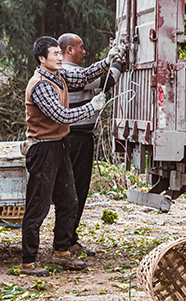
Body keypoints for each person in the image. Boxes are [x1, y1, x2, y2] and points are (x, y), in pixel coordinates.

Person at [19, 36, 123, 277]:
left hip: (59, 145)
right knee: (38, 206)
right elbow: (61, 116)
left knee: (69, 201)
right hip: (42, 148)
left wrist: (107, 61)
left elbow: (85, 76)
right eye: (54, 54)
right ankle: (28, 261)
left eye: (59, 52)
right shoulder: (41, 85)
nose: (59, 57)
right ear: (42, 59)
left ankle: (62, 251)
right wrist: (91, 107)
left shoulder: (60, 75)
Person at [58, 33, 124, 257]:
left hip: (78, 137)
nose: (84, 51)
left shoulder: (73, 72)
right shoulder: (69, 72)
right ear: (69, 50)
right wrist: (118, 61)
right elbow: (109, 81)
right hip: (75, 138)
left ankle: (69, 238)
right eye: (81, 47)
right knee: (75, 191)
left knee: (77, 191)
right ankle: (65, 241)